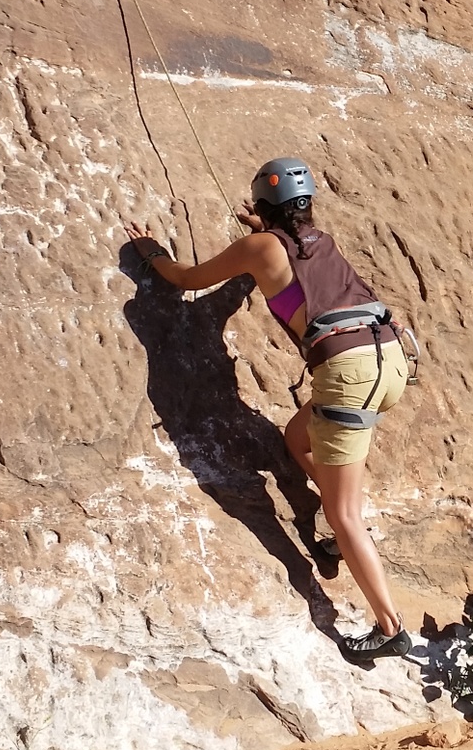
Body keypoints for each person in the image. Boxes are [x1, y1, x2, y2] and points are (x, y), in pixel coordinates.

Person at [125, 159, 412, 663]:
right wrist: (267, 238)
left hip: (348, 375)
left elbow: (187, 279)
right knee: (298, 438)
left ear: (261, 205)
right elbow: (279, 277)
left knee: (346, 512)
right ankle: (337, 541)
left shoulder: (261, 248)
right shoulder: (317, 242)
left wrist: (151, 254)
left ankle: (389, 626)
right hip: (388, 360)